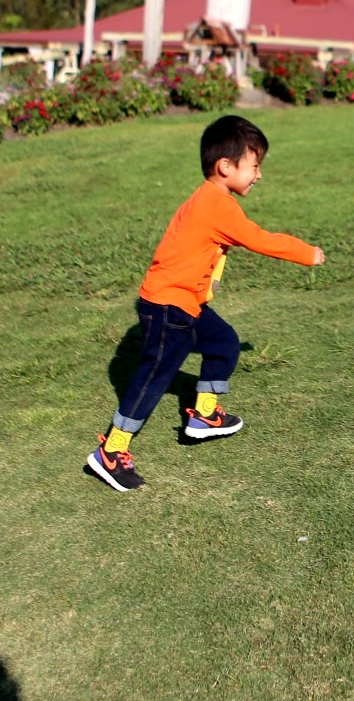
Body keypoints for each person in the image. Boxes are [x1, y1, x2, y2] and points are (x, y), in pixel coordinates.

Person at [86, 115, 325, 491]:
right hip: (169, 305)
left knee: (223, 342)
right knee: (154, 377)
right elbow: (258, 238)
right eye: (255, 166)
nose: (258, 175)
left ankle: (204, 416)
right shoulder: (217, 205)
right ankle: (112, 451)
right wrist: (307, 253)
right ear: (225, 166)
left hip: (185, 303)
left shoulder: (208, 198)